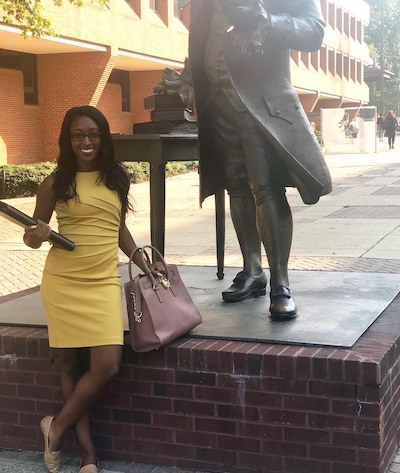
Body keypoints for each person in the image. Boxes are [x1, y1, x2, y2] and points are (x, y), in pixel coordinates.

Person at [156, 0, 332, 320]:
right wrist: (185, 79)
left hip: (260, 100)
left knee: (266, 187)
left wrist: (266, 18)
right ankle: (253, 270)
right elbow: (202, 43)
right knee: (236, 186)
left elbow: (314, 32)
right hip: (217, 102)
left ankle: (281, 283)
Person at [23, 106, 163, 473]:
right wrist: (35, 235)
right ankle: (88, 455)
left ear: (103, 138)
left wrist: (144, 262)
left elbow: (117, 230)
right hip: (63, 282)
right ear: (68, 141)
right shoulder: (56, 182)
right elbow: (35, 235)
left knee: (106, 365)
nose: (86, 141)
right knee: (69, 364)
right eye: (77, 135)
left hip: (102, 282)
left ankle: (55, 429)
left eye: (93, 134)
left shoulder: (118, 178)